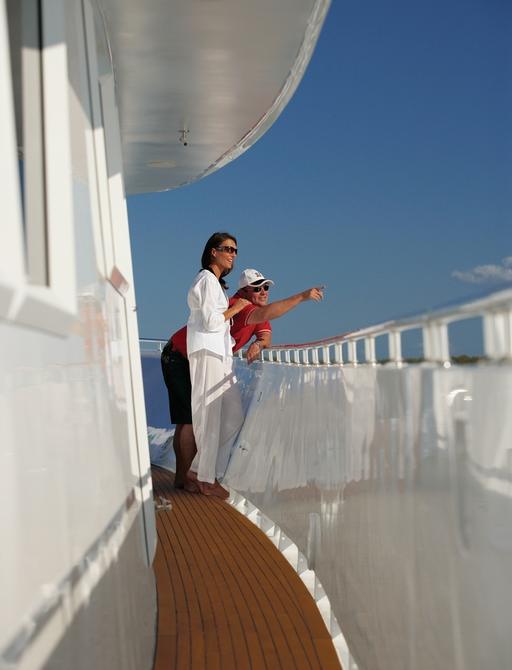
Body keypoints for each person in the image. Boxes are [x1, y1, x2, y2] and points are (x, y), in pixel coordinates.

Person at [161, 264, 324, 490]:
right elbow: (267, 313)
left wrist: (259, 343)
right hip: (180, 357)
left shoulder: (253, 307)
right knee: (189, 420)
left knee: (231, 418)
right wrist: (302, 296)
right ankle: (183, 478)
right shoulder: (239, 307)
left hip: (210, 361)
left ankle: (199, 470)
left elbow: (265, 333)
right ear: (244, 292)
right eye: (257, 288)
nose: (264, 291)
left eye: (266, 286)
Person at [180, 232, 250, 499]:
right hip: (207, 353)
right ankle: (206, 479)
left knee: (233, 416)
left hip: (219, 357)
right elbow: (210, 321)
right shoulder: (206, 280)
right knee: (209, 417)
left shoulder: (216, 284)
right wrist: (238, 307)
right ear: (213, 251)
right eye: (227, 249)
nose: (232, 254)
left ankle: (199, 469)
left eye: (235, 250)